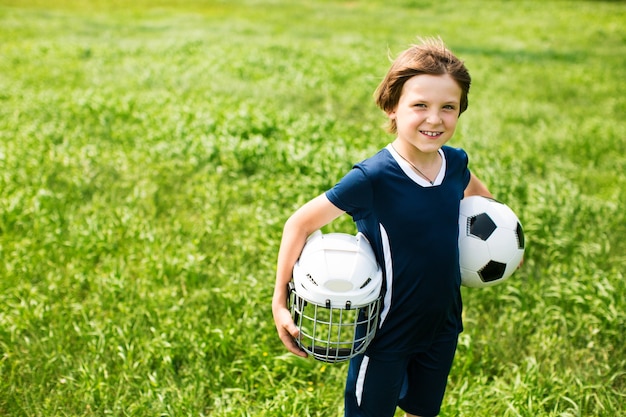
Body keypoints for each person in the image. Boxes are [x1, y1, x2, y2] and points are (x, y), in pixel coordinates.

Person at [272, 37, 493, 417]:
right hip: (385, 334)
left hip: (442, 325)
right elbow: (299, 223)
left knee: (423, 410)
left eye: (449, 107)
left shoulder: (455, 164)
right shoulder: (373, 178)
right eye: (420, 105)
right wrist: (280, 302)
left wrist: (508, 243)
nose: (434, 119)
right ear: (393, 106)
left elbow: (482, 201)